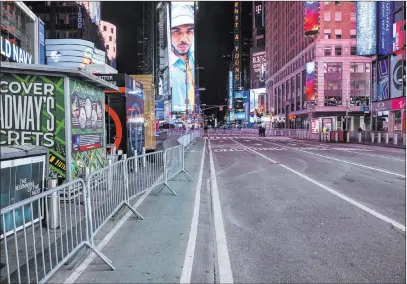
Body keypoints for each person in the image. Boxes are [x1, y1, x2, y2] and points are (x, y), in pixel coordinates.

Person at [170, 3, 195, 113]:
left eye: (189, 31)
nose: (184, 39)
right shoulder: (164, 67)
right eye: (176, 32)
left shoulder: (196, 61)